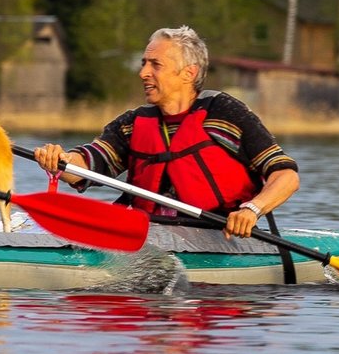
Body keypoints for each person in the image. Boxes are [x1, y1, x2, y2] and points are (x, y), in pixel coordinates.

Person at [33, 25, 299, 239]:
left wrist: (252, 210)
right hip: (148, 237)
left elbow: (285, 175)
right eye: (143, 63)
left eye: (155, 65)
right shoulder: (133, 123)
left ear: (188, 73)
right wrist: (60, 160)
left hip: (220, 239)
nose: (143, 73)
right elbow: (89, 163)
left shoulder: (225, 113)